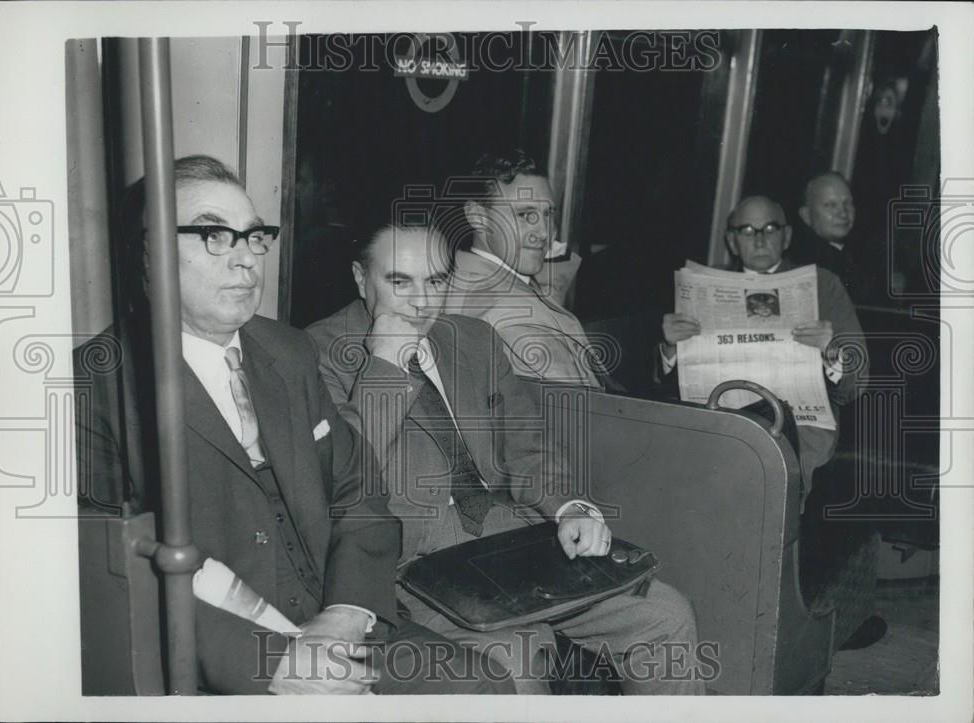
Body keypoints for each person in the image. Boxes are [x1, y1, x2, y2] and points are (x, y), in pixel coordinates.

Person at [75, 155, 511, 695]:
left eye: (254, 237)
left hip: (340, 623)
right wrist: (271, 664)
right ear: (149, 251)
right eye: (215, 235)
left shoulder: (287, 349)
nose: (246, 262)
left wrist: (345, 616)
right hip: (216, 662)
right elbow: (102, 576)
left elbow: (360, 495)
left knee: (482, 686)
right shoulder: (98, 383)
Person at [307, 221, 705, 695]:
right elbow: (341, 474)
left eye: (435, 281)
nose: (420, 302)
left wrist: (570, 507)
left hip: (506, 545)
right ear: (360, 278)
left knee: (666, 616)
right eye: (399, 281)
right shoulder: (315, 352)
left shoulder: (473, 339)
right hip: (409, 565)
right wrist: (386, 369)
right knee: (514, 658)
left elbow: (527, 445)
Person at [657, 195, 867, 499]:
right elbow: (665, 382)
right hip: (719, 415)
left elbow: (857, 382)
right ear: (731, 240)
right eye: (746, 230)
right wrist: (670, 348)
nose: (758, 241)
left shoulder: (824, 285)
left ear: (787, 236)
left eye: (769, 229)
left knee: (757, 476)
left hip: (797, 427)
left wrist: (831, 350)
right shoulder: (702, 286)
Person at [446, 149, 608, 389]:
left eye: (548, 213)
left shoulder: (469, 278)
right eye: (525, 214)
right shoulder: (513, 316)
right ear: (477, 216)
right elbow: (582, 413)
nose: (545, 233)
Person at [793, 171, 872, 302]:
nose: (843, 213)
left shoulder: (859, 256)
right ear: (806, 215)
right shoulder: (804, 263)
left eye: (847, 203)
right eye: (831, 205)